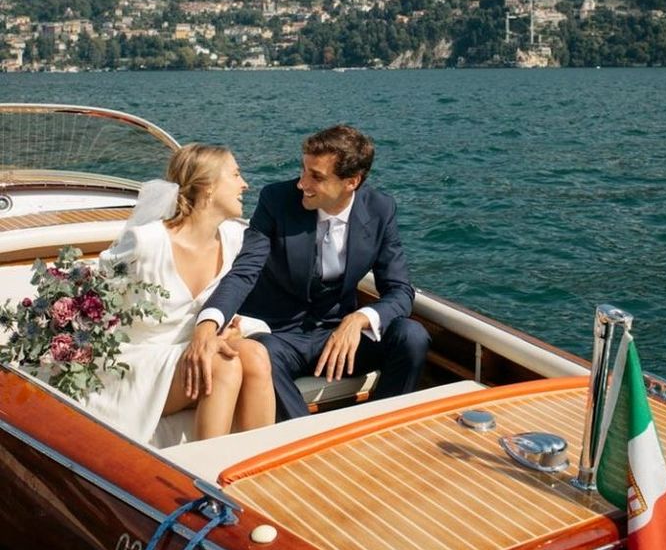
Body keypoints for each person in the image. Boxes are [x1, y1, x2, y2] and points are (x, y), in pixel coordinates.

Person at [184, 124, 430, 421]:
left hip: (339, 334)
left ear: (352, 181)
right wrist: (208, 324)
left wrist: (360, 319)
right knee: (258, 355)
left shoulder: (380, 209)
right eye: (303, 170)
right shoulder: (276, 200)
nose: (302, 183)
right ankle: (308, 444)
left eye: (316, 176)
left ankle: (381, 428)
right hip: (281, 336)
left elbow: (400, 290)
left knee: (412, 336)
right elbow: (245, 270)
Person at [83, 144, 275, 443]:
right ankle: (207, 479)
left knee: (255, 355)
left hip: (189, 350)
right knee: (223, 364)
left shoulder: (234, 238)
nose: (245, 184)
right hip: (139, 360)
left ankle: (259, 470)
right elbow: (91, 303)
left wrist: (222, 332)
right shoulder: (146, 243)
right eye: (236, 175)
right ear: (208, 187)